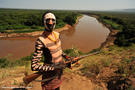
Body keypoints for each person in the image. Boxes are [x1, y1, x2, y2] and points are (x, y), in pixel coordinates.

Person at [31, 12, 71, 90]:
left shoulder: (57, 35)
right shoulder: (41, 40)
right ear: (44, 22)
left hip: (59, 74)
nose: (50, 22)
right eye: (48, 20)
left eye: (53, 20)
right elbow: (34, 66)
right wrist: (53, 67)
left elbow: (58, 50)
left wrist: (67, 57)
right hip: (49, 78)